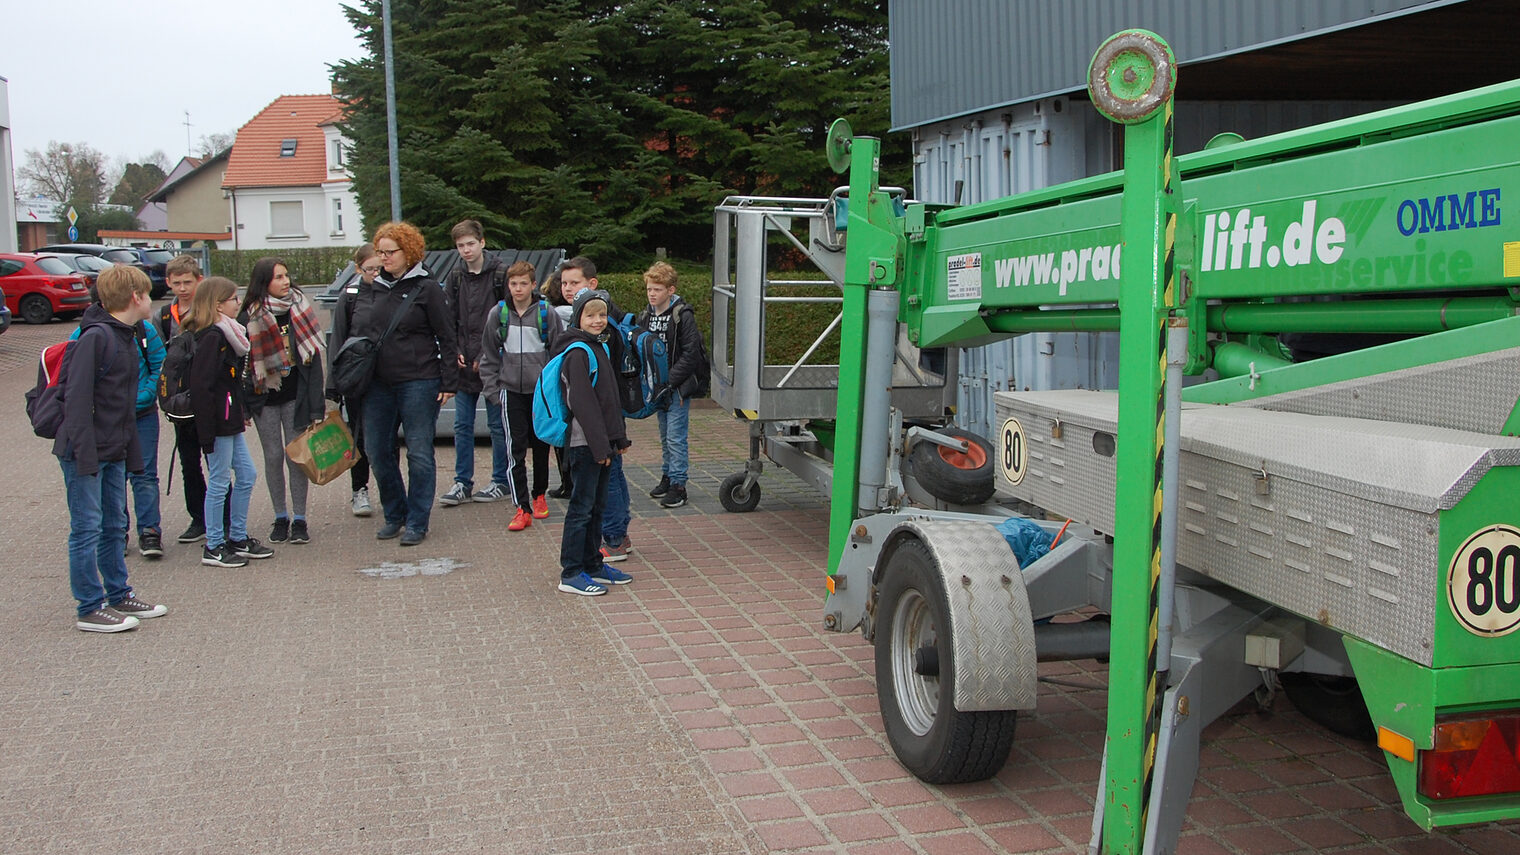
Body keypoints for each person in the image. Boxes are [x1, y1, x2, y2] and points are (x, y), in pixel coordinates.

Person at [54, 264, 169, 632]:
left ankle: (118, 593)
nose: (151, 301)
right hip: (86, 451)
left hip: (113, 447)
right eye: (148, 294)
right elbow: (76, 399)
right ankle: (90, 606)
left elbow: (122, 404)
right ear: (135, 297)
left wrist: (128, 452)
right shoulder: (96, 337)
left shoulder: (128, 334)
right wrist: (86, 455)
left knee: (113, 523)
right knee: (87, 527)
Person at [350, 221, 458, 546]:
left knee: (419, 452)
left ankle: (417, 521)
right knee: (377, 450)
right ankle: (395, 513)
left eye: (390, 252)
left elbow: (447, 336)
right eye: (380, 252)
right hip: (377, 383)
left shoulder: (427, 289)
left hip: (419, 380)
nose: (384, 258)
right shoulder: (372, 287)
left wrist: (449, 379)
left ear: (407, 251)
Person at [184, 277, 273, 568]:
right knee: (220, 481)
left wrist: (241, 412)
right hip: (217, 423)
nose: (239, 303)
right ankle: (213, 545)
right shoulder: (213, 337)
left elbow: (231, 384)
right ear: (218, 303)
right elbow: (203, 386)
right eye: (234, 298)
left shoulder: (229, 334)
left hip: (229, 418)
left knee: (246, 475)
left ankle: (236, 536)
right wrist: (207, 431)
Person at [73, 281, 166, 557]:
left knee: (145, 474)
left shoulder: (144, 330)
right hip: (109, 421)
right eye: (147, 295)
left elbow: (160, 364)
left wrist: (146, 394)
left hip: (142, 414)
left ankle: (150, 531)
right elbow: (75, 381)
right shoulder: (88, 335)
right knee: (114, 476)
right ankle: (118, 531)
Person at [241, 257, 326, 545]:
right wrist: (244, 405)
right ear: (264, 282)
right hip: (264, 398)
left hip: (295, 396)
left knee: (296, 457)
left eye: (286, 275)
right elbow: (242, 365)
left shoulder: (299, 309)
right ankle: (280, 517)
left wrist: (317, 406)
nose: (285, 281)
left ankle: (300, 519)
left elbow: (313, 363)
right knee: (273, 456)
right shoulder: (249, 316)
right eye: (278, 277)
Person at [555, 289, 633, 596]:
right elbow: (584, 406)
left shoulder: (597, 346)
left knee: (597, 507)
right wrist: (601, 447)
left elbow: (609, 401)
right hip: (584, 444)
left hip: (601, 445)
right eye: (591, 315)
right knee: (581, 509)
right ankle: (571, 572)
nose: (598, 320)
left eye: (602, 315)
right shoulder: (577, 352)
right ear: (578, 318)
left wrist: (618, 439)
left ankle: (593, 564)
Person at [479, 260, 563, 532]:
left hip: (539, 393)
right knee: (514, 450)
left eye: (523, 284)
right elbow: (489, 355)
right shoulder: (498, 314)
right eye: (513, 284)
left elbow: (558, 355)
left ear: (533, 285)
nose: (518, 289)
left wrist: (554, 390)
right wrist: (493, 391)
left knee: (541, 445)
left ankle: (539, 495)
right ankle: (521, 506)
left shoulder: (545, 313)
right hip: (509, 391)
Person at [440, 220, 511, 506]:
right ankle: (462, 482)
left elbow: (507, 318)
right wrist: (456, 348)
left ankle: (500, 480)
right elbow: (449, 318)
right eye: (460, 246)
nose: (466, 250)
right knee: (462, 425)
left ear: (482, 242)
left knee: (496, 425)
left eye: (470, 243)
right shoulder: (455, 276)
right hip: (463, 362)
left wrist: (486, 354)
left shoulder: (500, 274)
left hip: (493, 362)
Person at [157, 254, 216, 545]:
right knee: (188, 462)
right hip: (180, 403)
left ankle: (223, 517)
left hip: (207, 397)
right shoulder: (163, 317)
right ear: (168, 283)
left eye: (187, 282)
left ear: (199, 281)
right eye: (177, 283)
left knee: (217, 461)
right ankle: (198, 518)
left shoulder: (209, 311)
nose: (182, 288)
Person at [638, 261, 705, 509]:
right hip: (657, 387)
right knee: (665, 435)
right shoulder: (646, 315)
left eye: (657, 289)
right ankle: (667, 476)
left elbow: (690, 354)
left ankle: (679, 485)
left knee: (676, 437)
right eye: (649, 289)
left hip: (676, 387)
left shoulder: (682, 315)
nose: (652, 294)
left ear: (670, 289)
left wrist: (670, 381)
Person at [327, 244, 378, 517]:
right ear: (359, 269)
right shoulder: (349, 297)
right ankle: (360, 489)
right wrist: (333, 385)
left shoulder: (390, 291)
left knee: (385, 438)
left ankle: (390, 490)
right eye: (370, 269)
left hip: (387, 376)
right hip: (357, 376)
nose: (375, 274)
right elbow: (338, 340)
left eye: (379, 268)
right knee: (358, 435)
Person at [542, 269, 572, 499]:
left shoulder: (552, 314)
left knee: (562, 431)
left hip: (557, 379)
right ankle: (570, 481)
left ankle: (567, 481)